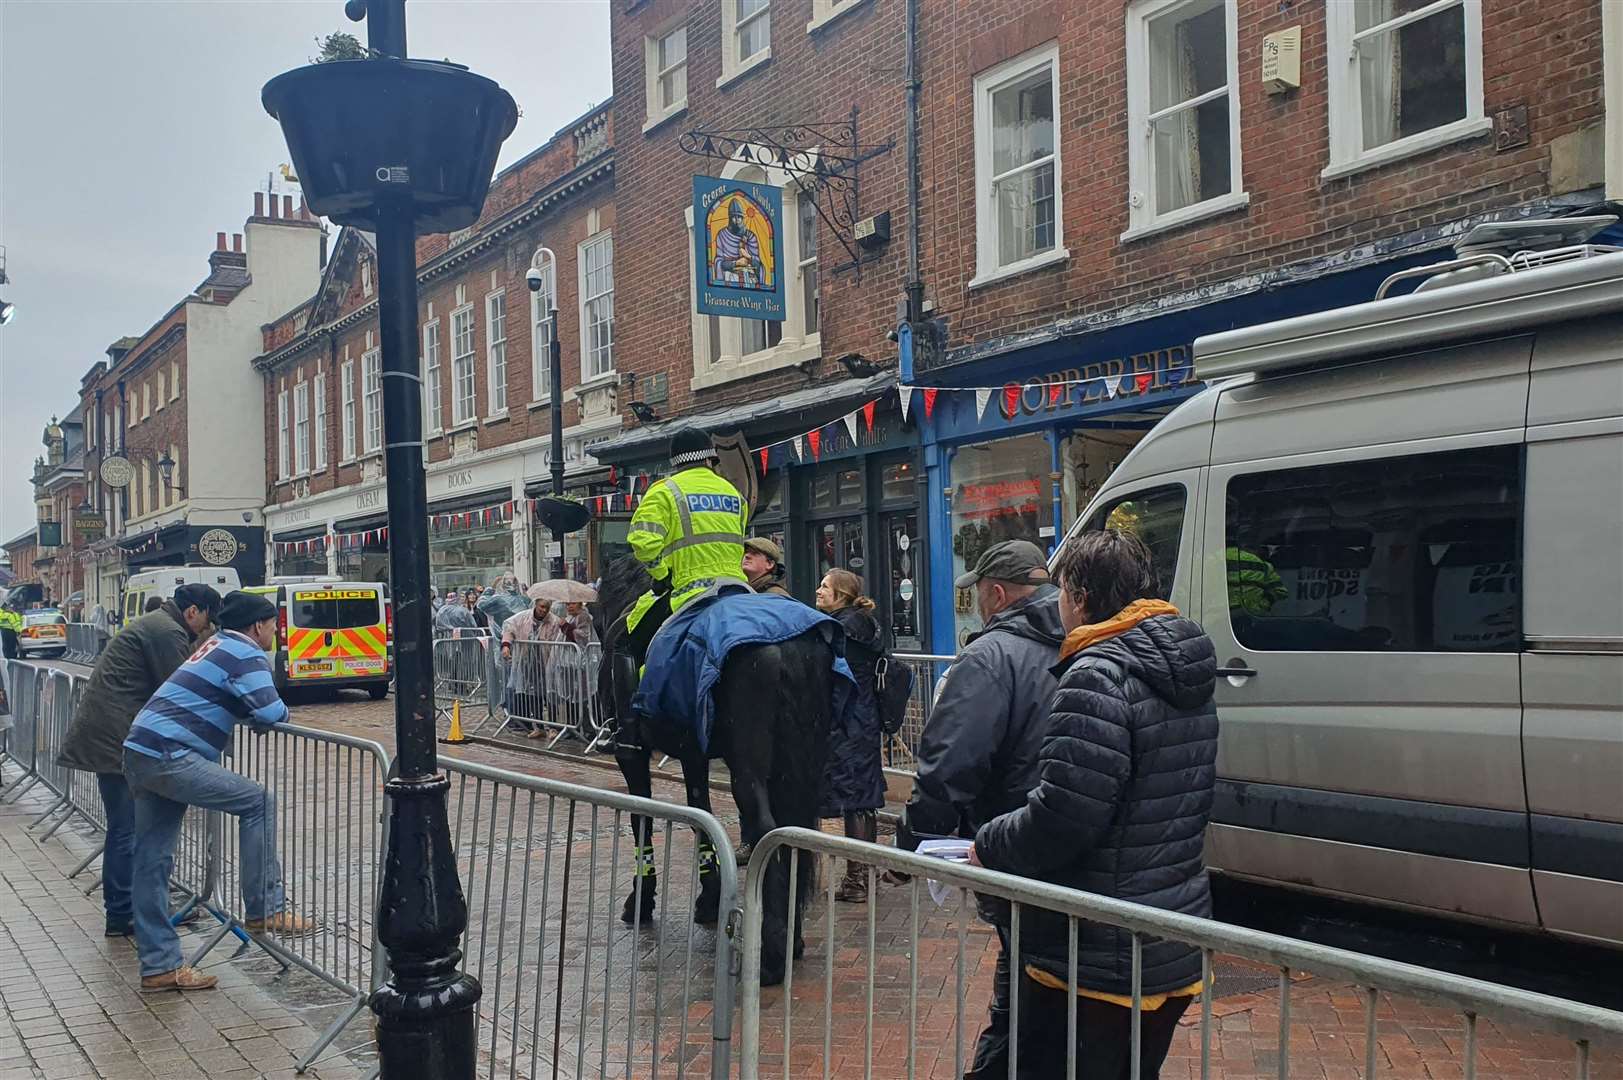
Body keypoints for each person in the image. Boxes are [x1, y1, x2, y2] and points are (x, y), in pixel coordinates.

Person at [970, 530, 1218, 1080]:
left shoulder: (1096, 674)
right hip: (1168, 937)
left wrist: (987, 843)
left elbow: (1063, 816)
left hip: (1095, 952)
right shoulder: (1185, 668)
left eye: (1061, 592)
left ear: (1079, 598)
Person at [896, 539, 1064, 1078]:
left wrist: (914, 838)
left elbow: (949, 764)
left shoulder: (990, 656)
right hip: (1068, 844)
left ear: (996, 594)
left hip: (1012, 846)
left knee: (1021, 1001)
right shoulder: (1086, 641)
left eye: (979, 597)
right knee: (1039, 993)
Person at [123, 591, 314, 992]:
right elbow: (268, 709)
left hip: (142, 747)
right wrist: (274, 712)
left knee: (151, 860)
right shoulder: (244, 652)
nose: (276, 631)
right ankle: (266, 908)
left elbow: (238, 701)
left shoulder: (214, 645)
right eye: (273, 624)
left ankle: (159, 965)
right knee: (258, 801)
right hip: (171, 753)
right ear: (257, 626)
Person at [58, 584, 221, 938]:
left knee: (131, 828)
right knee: (127, 828)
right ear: (193, 612)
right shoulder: (167, 632)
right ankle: (123, 913)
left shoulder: (159, 624)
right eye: (207, 622)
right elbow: (181, 688)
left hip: (117, 733)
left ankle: (143, 906)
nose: (207, 630)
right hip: (117, 739)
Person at [617, 428, 749, 680]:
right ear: (710, 460)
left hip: (689, 590)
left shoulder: (665, 491)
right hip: (738, 588)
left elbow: (643, 541)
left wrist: (661, 574)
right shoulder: (733, 493)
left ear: (676, 462)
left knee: (624, 645)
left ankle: (630, 719)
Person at [813, 569, 886, 903]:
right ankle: (864, 875)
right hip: (863, 719)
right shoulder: (862, 624)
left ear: (841, 594)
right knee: (863, 798)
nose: (818, 591)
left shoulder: (842, 629)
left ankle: (857, 881)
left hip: (849, 720)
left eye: (825, 587)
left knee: (855, 798)